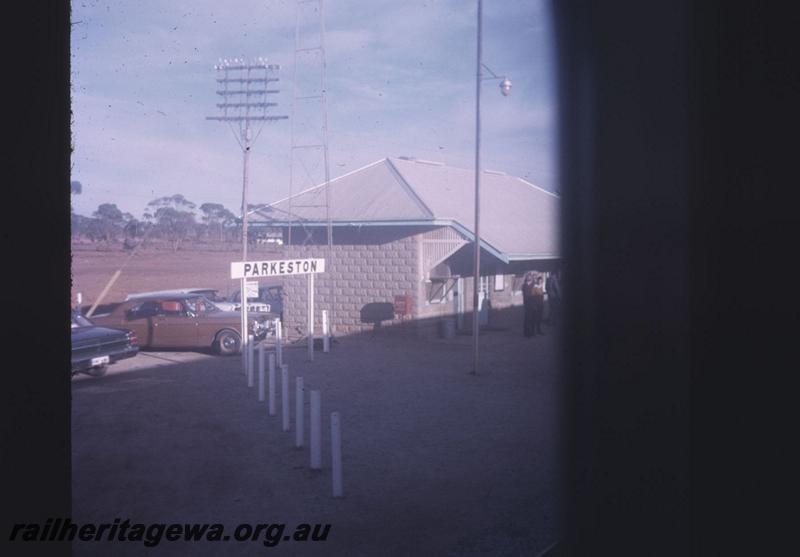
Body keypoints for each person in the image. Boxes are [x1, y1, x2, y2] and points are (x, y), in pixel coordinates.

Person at [521, 272, 535, 337]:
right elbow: (526, 295)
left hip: (533, 304)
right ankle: (526, 333)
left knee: (532, 318)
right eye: (528, 277)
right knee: (527, 319)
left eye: (530, 277)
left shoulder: (533, 285)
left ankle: (532, 332)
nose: (529, 278)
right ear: (526, 278)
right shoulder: (524, 286)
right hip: (527, 304)